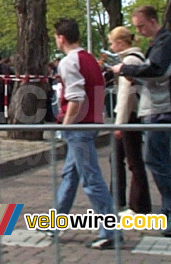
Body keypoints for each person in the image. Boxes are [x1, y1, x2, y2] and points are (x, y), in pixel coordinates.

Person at [112, 5, 171, 237]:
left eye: (141, 26)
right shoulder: (159, 44)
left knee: (156, 160)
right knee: (158, 160)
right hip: (157, 108)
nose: (139, 31)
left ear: (152, 20)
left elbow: (156, 70)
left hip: (162, 108)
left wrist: (125, 69)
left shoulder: (165, 43)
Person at [53, 18, 117, 250]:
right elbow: (96, 90)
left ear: (61, 38)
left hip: (79, 126)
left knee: (90, 178)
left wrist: (66, 126)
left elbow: (76, 98)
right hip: (91, 121)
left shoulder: (69, 62)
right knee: (71, 174)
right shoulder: (89, 59)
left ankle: (110, 230)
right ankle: (56, 220)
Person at [107, 26, 152, 216]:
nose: (110, 45)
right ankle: (117, 200)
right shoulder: (136, 58)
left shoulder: (130, 61)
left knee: (133, 160)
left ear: (120, 42)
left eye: (112, 42)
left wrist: (120, 123)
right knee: (118, 158)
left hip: (128, 115)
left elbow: (126, 96)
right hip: (130, 114)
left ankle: (138, 206)